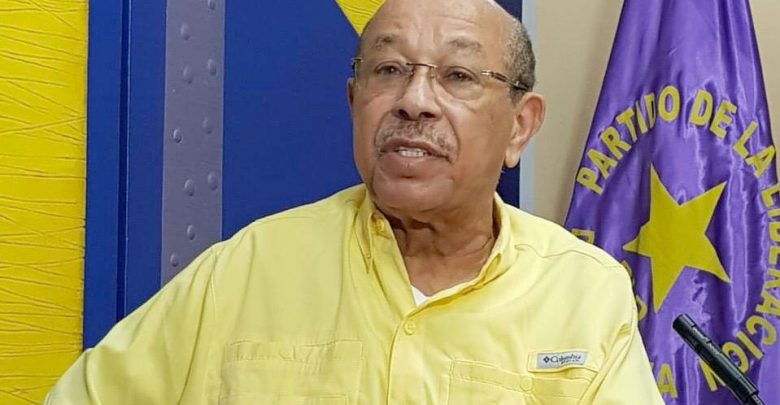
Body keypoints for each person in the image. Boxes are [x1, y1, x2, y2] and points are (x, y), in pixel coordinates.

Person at [46, 0, 664, 403]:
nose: (413, 101)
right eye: (388, 70)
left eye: (457, 76)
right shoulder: (249, 267)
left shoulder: (583, 292)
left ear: (520, 127)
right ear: (353, 103)